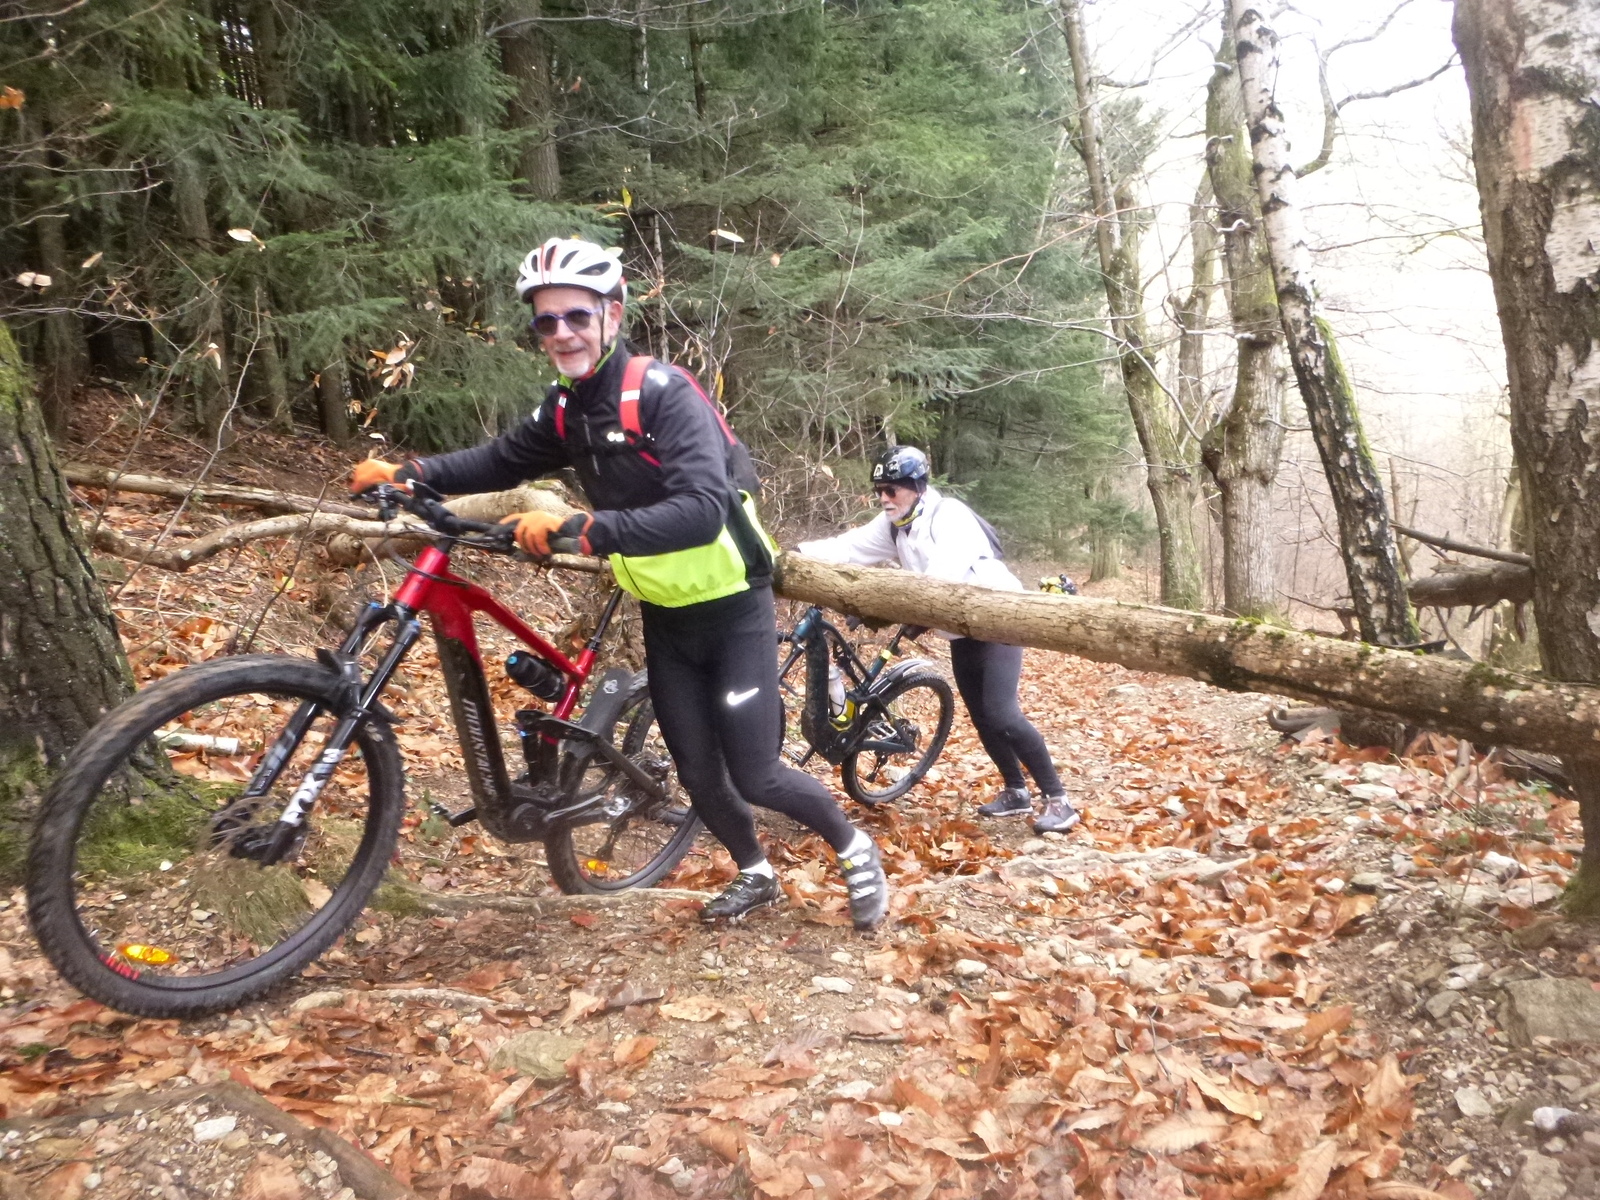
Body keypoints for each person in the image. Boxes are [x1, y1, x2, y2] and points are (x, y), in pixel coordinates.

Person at [351, 236, 889, 930]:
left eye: (577, 316)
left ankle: (854, 847)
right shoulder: (568, 407)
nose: (562, 333)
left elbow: (701, 510)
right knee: (696, 771)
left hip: (733, 610)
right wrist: (412, 473)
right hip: (664, 611)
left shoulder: (662, 394)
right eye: (546, 321)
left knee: (756, 773)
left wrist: (584, 528)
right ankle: (756, 872)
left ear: (612, 313)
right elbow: (502, 458)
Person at [797, 446, 1081, 835]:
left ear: (917, 487)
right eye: (879, 490)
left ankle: (1058, 799)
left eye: (892, 490)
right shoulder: (895, 524)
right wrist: (797, 555)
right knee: (981, 715)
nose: (884, 498)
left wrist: (891, 606)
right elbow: (850, 547)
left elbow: (941, 577)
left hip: (998, 621)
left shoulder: (950, 516)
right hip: (958, 629)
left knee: (1001, 713)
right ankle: (1016, 790)